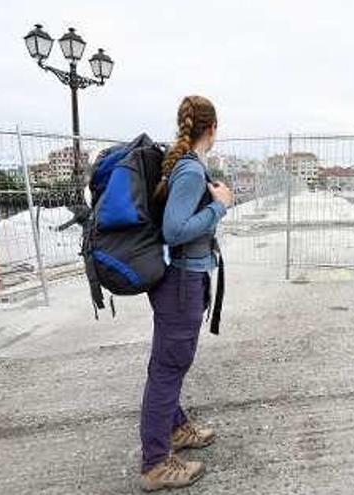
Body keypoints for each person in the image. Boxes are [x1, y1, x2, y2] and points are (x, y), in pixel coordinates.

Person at [140, 95, 233, 491]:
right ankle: (156, 464)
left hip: (180, 279)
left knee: (169, 364)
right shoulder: (191, 171)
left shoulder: (185, 166)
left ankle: (175, 429)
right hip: (180, 282)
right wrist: (219, 207)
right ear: (211, 129)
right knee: (168, 369)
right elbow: (175, 230)